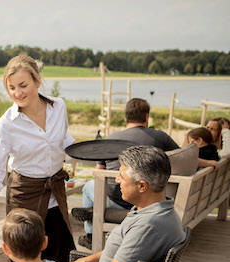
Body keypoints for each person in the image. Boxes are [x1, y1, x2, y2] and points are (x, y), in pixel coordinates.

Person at [64, 146, 186, 262]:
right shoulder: (155, 208)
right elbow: (125, 251)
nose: (117, 180)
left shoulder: (149, 225)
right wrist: (84, 261)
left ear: (142, 186)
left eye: (122, 176)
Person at [72, 98, 218, 248]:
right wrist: (210, 163)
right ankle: (92, 216)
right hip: (146, 197)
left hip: (115, 197)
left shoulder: (109, 139)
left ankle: (91, 233)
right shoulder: (160, 137)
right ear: (147, 117)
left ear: (125, 118)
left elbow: (99, 172)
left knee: (88, 186)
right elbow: (184, 157)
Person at [0, 55, 76, 262]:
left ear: (37, 81)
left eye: (23, 85)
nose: (17, 93)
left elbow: (64, 140)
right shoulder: (6, 124)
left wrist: (89, 153)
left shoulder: (58, 107)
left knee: (60, 256)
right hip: (25, 195)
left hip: (55, 193)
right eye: (11, 88)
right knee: (25, 261)